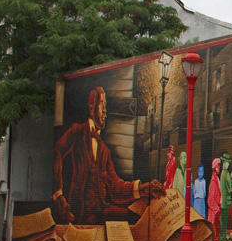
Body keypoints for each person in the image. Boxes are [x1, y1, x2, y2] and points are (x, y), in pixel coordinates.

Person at [52, 86, 166, 225]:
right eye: (102, 105)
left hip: (101, 210)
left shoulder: (104, 150)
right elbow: (57, 151)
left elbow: (115, 186)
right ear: (92, 106)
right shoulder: (77, 131)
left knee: (137, 216)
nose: (105, 111)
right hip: (80, 212)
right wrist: (58, 194)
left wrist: (143, 188)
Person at [207, 158, 223, 241]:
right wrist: (216, 209)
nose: (219, 167)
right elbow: (210, 200)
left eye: (219, 165)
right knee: (215, 237)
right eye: (218, 165)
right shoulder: (213, 181)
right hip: (214, 214)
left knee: (216, 237)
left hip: (217, 212)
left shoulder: (216, 179)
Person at [219, 152, 232, 241]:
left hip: (223, 200)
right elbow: (229, 189)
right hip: (225, 201)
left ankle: (223, 238)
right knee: (224, 221)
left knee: (223, 221)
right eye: (227, 163)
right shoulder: (226, 173)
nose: (228, 164)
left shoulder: (222, 173)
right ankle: (222, 240)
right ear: (224, 163)